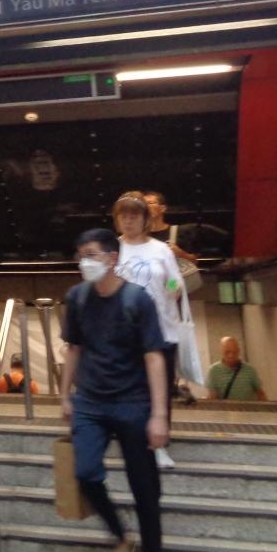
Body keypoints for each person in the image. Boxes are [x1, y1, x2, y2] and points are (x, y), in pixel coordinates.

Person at [61, 229, 170, 552]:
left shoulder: (137, 300)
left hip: (132, 403)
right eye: (80, 255)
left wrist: (159, 415)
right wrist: (64, 396)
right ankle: (121, 536)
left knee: (144, 488)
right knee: (85, 472)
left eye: (91, 255)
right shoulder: (76, 298)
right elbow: (74, 349)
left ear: (112, 258)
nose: (84, 262)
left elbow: (154, 356)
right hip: (90, 402)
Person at [113, 191, 185, 469]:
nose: (128, 220)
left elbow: (175, 282)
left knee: (160, 389)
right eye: (123, 216)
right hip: (123, 334)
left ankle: (158, 444)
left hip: (161, 330)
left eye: (134, 215)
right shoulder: (112, 249)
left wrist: (170, 290)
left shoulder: (161, 250)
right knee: (129, 389)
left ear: (145, 219)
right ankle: (131, 440)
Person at [142, 191, 199, 265]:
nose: (146, 207)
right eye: (143, 204)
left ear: (163, 208)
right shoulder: (138, 235)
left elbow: (194, 261)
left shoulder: (179, 232)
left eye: (150, 203)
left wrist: (181, 254)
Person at [206, 336, 267, 401]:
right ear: (222, 351)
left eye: (234, 352)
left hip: (248, 407)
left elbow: (260, 394)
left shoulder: (250, 370)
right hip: (225, 408)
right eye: (227, 352)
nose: (231, 355)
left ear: (238, 351)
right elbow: (212, 398)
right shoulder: (213, 371)